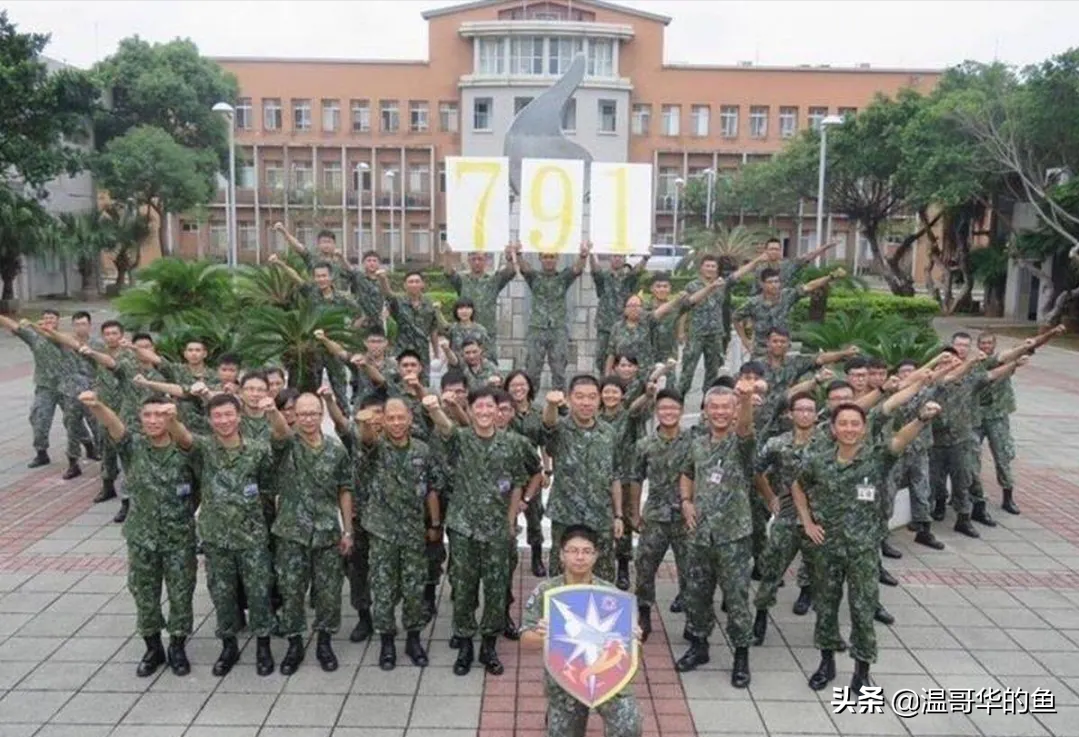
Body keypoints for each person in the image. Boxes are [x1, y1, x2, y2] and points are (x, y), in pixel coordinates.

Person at [793, 400, 942, 693]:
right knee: (826, 607)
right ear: (833, 429)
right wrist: (807, 521)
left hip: (862, 551)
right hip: (826, 549)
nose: (849, 429)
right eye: (843, 424)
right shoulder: (818, 460)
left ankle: (861, 670)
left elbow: (900, 439)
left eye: (855, 424)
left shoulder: (876, 458)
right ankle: (826, 662)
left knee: (862, 610)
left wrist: (922, 419)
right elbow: (798, 485)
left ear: (863, 429)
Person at [78, 391, 196, 678]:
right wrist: (97, 405)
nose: (154, 421)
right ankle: (153, 647)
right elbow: (115, 426)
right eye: (148, 415)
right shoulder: (134, 447)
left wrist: (175, 421)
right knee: (144, 593)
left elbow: (188, 441)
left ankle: (178, 646)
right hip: (142, 537)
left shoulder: (184, 449)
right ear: (141, 419)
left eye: (160, 415)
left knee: (181, 593)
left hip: (179, 536)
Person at [177, 392, 289, 677]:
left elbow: (272, 473)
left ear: (239, 416)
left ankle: (263, 646)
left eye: (229, 415)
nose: (224, 421)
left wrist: (273, 413)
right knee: (222, 594)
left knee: (259, 592)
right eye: (218, 416)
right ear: (210, 420)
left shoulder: (257, 449)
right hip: (217, 539)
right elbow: (184, 439)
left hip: (252, 537)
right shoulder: (204, 449)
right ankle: (228, 646)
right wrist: (169, 419)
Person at [428, 387, 537, 676]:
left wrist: (511, 520)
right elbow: (445, 426)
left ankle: (488, 646)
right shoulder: (460, 440)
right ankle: (465, 645)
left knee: (496, 588)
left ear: (499, 411)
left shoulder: (512, 443)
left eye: (491, 407)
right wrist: (437, 407)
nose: (486, 412)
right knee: (463, 588)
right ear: (471, 409)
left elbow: (517, 482)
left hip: (497, 531)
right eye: (480, 407)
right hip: (464, 528)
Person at [675, 379, 761, 688]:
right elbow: (686, 472)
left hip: (733, 536)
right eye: (715, 407)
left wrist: (747, 399)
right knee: (697, 594)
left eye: (727, 407)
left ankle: (741, 655)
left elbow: (747, 428)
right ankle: (699, 646)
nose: (720, 412)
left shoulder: (741, 442)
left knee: (736, 597)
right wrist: (685, 501)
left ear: (735, 410)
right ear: (706, 410)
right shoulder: (696, 441)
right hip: (699, 534)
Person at [520, 524, 644, 737]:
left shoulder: (610, 595)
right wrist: (546, 636)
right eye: (573, 551)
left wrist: (633, 638)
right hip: (566, 677)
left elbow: (629, 652)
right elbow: (525, 639)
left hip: (606, 675)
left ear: (596, 556)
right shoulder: (546, 592)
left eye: (587, 552)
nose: (580, 557)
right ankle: (556, 713)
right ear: (561, 555)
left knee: (629, 727)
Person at [355, 396, 440, 670]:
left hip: (414, 532)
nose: (395, 423)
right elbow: (366, 440)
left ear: (410, 419)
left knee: (415, 588)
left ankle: (414, 639)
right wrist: (366, 424)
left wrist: (435, 524)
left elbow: (431, 490)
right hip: (382, 532)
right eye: (390, 418)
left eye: (400, 417)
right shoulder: (376, 448)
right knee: (383, 589)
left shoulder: (423, 451)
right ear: (383, 420)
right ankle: (387, 641)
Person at [272, 393, 354, 675]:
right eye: (302, 413)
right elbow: (280, 429)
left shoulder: (336, 450)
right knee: (292, 592)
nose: (308, 418)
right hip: (291, 534)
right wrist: (273, 411)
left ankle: (324, 643)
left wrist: (348, 531)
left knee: (329, 594)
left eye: (313, 413)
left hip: (327, 535)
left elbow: (345, 489)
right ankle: (294, 644)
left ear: (322, 416)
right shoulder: (286, 444)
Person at [542, 375, 624, 582]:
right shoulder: (560, 430)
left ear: (599, 400)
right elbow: (548, 423)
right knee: (561, 575)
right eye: (579, 397)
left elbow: (614, 476)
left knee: (603, 575)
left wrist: (619, 515)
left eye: (591, 397)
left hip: (600, 516)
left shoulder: (609, 433)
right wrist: (551, 403)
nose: (586, 402)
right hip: (565, 515)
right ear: (569, 400)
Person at [0, 311, 96, 475]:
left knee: (73, 421)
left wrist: (36, 326)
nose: (48, 321)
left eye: (52, 318)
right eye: (45, 318)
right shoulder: (33, 337)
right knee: (39, 418)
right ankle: (41, 452)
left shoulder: (65, 337)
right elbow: (13, 326)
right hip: (46, 386)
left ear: (59, 321)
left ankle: (88, 445)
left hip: (68, 387)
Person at [631, 388, 692, 640]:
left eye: (673, 408)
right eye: (664, 408)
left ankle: (693, 620)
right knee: (645, 567)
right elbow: (635, 478)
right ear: (656, 412)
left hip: (686, 518)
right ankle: (644, 614)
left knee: (690, 570)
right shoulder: (645, 445)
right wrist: (634, 513)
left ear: (682, 411)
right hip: (655, 515)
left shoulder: (692, 441)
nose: (668, 413)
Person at [678, 254, 763, 397]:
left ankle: (707, 405)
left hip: (715, 334)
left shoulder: (722, 284)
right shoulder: (692, 286)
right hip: (696, 334)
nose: (710, 269)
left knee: (712, 372)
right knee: (687, 372)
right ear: (701, 268)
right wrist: (681, 331)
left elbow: (739, 273)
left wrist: (757, 260)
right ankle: (678, 401)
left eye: (713, 266)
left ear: (717, 269)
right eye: (707, 266)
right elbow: (684, 309)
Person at [517, 242, 588, 390]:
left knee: (559, 371)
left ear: (557, 259)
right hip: (537, 328)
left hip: (558, 330)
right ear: (540, 259)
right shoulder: (534, 277)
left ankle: (559, 404)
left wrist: (583, 255)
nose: (549, 260)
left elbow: (577, 269)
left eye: (552, 257)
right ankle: (529, 404)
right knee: (532, 370)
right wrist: (518, 254)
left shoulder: (563, 278)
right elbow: (524, 268)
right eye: (545, 257)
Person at [733, 267, 845, 358]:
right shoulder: (753, 303)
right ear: (762, 284)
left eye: (776, 281)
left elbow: (808, 286)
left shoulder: (787, 296)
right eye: (770, 282)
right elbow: (736, 317)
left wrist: (831, 276)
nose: (774, 285)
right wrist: (745, 340)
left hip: (782, 349)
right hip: (761, 350)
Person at [442, 246, 517, 358]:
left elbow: (511, 271)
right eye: (473, 259)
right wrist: (448, 255)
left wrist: (510, 257)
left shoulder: (493, 281)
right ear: (468, 261)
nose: (477, 262)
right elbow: (448, 273)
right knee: (462, 366)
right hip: (464, 334)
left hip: (486, 333)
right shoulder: (462, 280)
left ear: (486, 260)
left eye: (480, 259)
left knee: (489, 367)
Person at [590, 250, 649, 375]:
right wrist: (591, 253)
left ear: (624, 259)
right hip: (605, 325)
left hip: (624, 325)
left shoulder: (628, 279)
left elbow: (637, 272)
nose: (617, 259)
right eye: (615, 256)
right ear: (610, 258)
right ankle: (605, 383)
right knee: (601, 358)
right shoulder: (604, 277)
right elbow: (595, 271)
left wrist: (645, 258)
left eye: (620, 256)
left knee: (625, 357)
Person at [377, 269, 440, 376]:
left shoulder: (429, 305)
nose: (414, 284)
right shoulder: (398, 302)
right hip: (402, 350)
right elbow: (388, 294)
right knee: (400, 382)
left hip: (422, 352)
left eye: (417, 281)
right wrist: (383, 279)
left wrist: (436, 354)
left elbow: (433, 330)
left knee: (423, 382)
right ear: (405, 285)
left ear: (422, 284)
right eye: (410, 282)